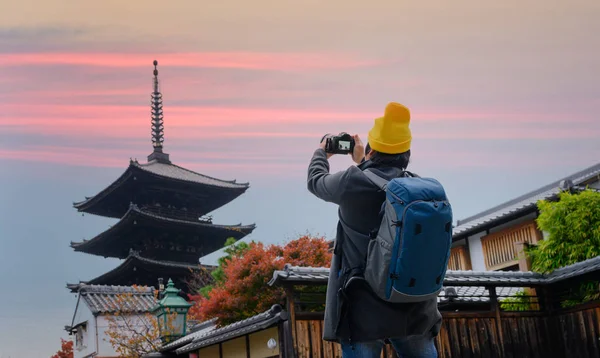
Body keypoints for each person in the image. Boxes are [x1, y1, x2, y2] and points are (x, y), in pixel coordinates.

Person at [307, 102, 442, 358]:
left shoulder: (351, 181)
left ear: (370, 150)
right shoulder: (419, 188)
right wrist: (363, 162)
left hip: (364, 310)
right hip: (414, 306)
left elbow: (315, 181)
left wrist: (322, 152)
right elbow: (384, 183)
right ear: (406, 153)